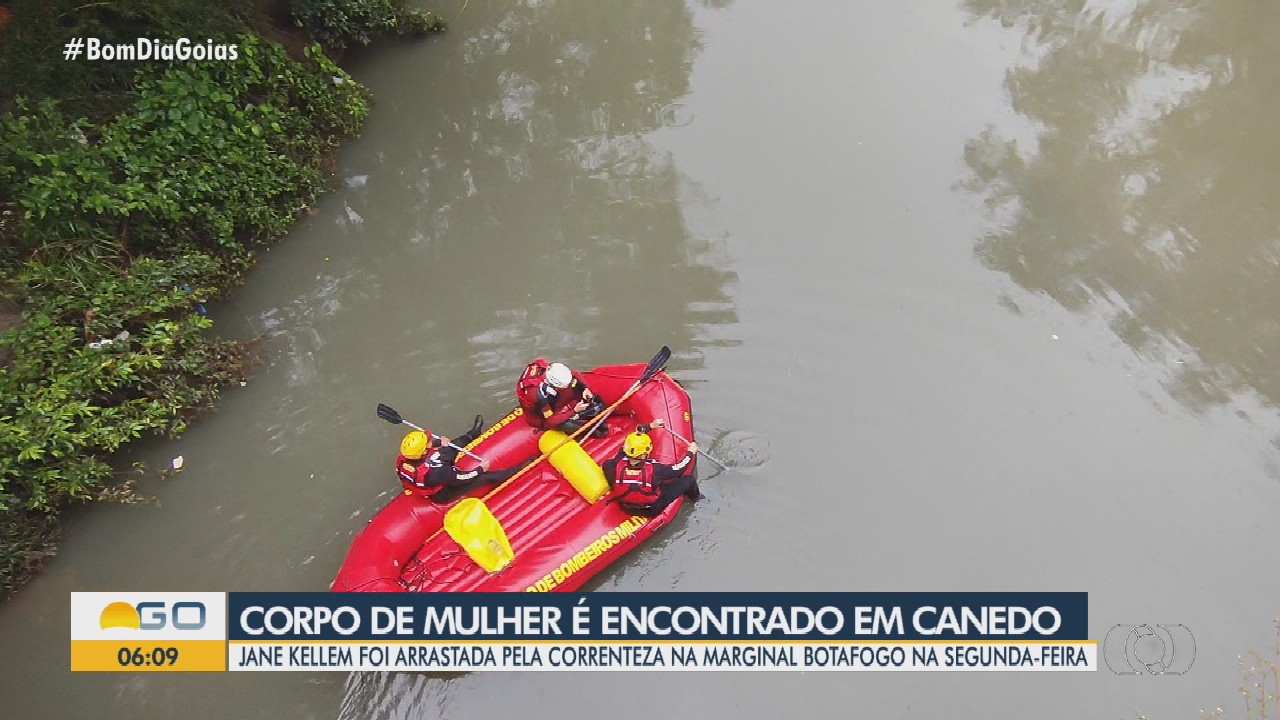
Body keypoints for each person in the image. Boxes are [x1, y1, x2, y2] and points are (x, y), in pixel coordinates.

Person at [395, 415, 520, 504]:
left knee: (451, 446)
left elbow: (428, 454)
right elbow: (461, 478)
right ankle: (519, 470)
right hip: (443, 492)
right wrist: (480, 469)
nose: (430, 441)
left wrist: (439, 443)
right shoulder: (437, 472)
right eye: (428, 442)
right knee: (484, 478)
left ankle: (473, 433)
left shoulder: (403, 459)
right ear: (423, 451)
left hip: (433, 472)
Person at [602, 418, 700, 517]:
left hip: (626, 507)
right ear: (643, 454)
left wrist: (650, 426)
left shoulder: (613, 464)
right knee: (689, 480)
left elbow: (630, 444)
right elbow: (678, 470)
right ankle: (696, 499)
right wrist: (690, 452)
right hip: (651, 509)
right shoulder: (655, 469)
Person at [516, 360, 607, 437]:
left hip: (554, 399)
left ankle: (588, 412)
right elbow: (550, 420)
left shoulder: (554, 371)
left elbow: (575, 374)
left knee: (588, 394)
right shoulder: (538, 396)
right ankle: (590, 430)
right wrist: (574, 411)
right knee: (568, 425)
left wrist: (585, 388)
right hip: (541, 418)